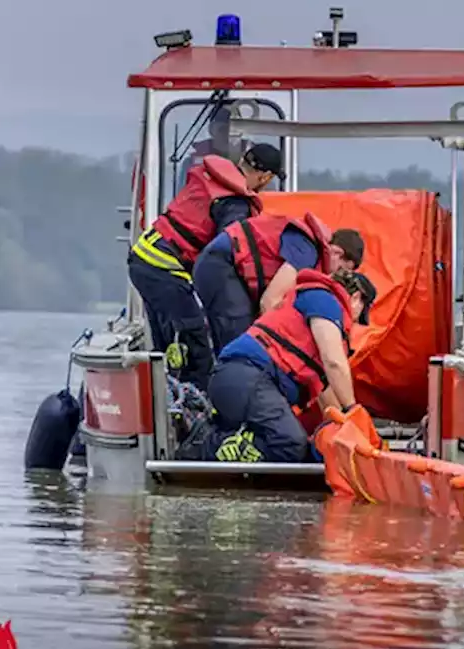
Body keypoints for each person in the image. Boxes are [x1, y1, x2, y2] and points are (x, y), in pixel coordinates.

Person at [180, 269, 374, 464]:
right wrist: (353, 411)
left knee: (298, 447)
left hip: (242, 382)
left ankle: (221, 435)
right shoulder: (325, 301)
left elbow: (327, 394)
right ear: (356, 298)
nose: (353, 324)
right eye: (358, 317)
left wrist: (346, 428)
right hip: (247, 376)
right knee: (289, 443)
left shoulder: (312, 308)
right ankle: (204, 444)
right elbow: (334, 362)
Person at [127, 143, 283, 386]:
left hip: (143, 256)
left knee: (166, 341)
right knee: (195, 340)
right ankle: (194, 404)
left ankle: (165, 391)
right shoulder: (235, 204)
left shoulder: (207, 177)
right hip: (164, 266)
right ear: (264, 177)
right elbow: (225, 256)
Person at [193, 212, 366, 350]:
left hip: (225, 266)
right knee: (238, 340)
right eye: (343, 269)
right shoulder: (307, 251)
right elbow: (270, 301)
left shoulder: (312, 255)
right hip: (221, 263)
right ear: (337, 252)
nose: (336, 277)